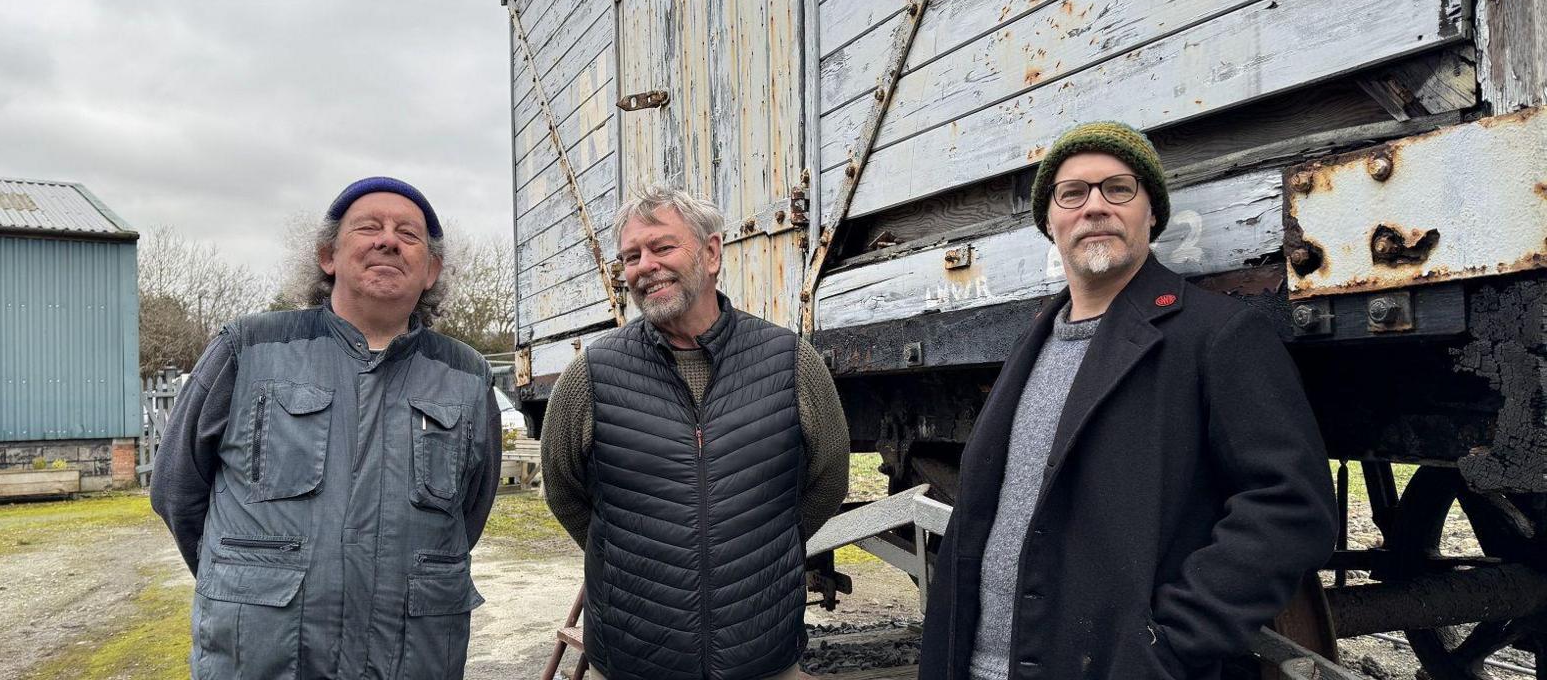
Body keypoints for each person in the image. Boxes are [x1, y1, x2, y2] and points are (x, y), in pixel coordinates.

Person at [918, 122, 1338, 680]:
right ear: (1051, 222)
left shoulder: (1218, 336)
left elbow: (1292, 507)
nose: (1094, 207)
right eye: (1072, 193)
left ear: (1152, 213)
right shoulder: (1033, 341)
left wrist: (1165, 647)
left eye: (1118, 188)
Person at [150, 177, 500, 680]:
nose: (388, 240)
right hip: (264, 658)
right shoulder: (247, 349)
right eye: (367, 227)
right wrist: (249, 578)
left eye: (408, 233)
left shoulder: (466, 376)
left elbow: (468, 514)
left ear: (431, 270)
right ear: (327, 255)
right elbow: (177, 492)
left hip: (412, 656)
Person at [540, 184, 850, 680]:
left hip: (763, 658)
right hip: (630, 661)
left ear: (710, 253)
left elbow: (827, 484)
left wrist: (759, 549)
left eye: (662, 247)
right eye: (631, 256)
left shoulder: (790, 362)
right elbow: (565, 493)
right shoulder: (592, 374)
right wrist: (631, 558)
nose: (645, 266)